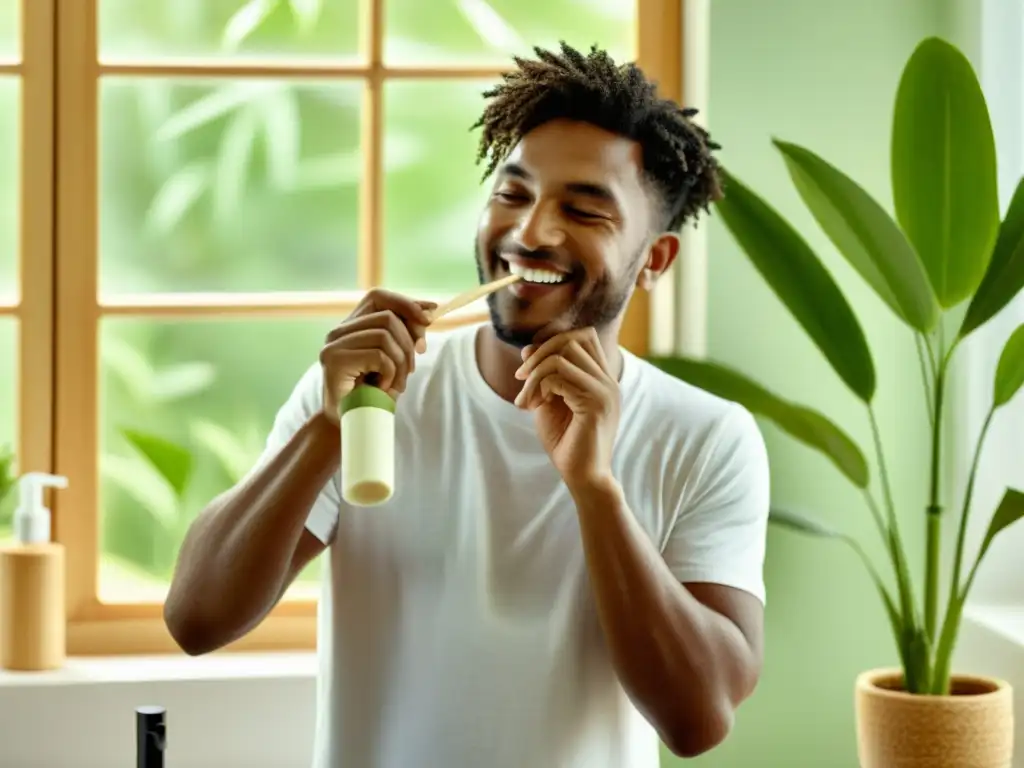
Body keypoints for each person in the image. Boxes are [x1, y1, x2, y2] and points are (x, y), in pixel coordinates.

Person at [164, 41, 770, 768]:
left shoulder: (704, 437)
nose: (529, 233)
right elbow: (196, 619)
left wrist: (595, 489)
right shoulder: (368, 395)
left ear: (655, 261)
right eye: (512, 194)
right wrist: (326, 431)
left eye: (583, 209)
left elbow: (698, 719)